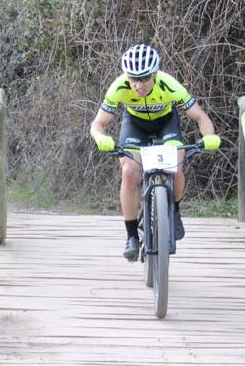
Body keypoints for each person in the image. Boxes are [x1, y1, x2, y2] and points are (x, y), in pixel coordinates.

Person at [90, 44, 216, 261]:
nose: (138, 85)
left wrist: (209, 137)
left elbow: (200, 117)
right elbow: (98, 124)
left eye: (145, 78)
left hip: (166, 124)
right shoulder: (118, 88)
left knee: (175, 168)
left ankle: (174, 212)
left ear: (155, 74)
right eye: (133, 79)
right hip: (135, 126)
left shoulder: (170, 85)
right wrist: (101, 138)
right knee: (129, 172)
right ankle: (131, 237)